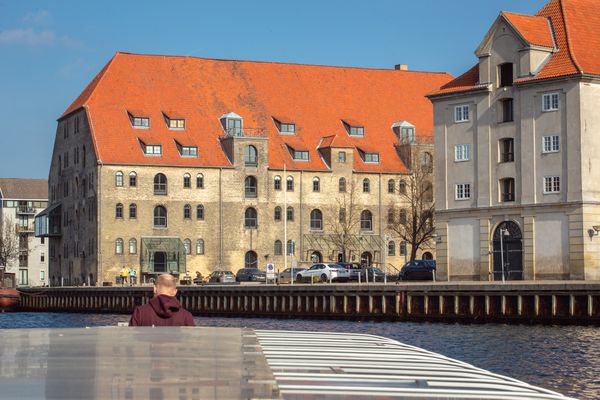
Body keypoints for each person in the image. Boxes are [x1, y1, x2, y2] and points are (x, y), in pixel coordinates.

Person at [129, 273, 195, 326]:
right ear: (175, 292)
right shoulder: (186, 316)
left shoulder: (140, 313)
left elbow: (131, 340)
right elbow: (192, 341)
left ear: (155, 289)